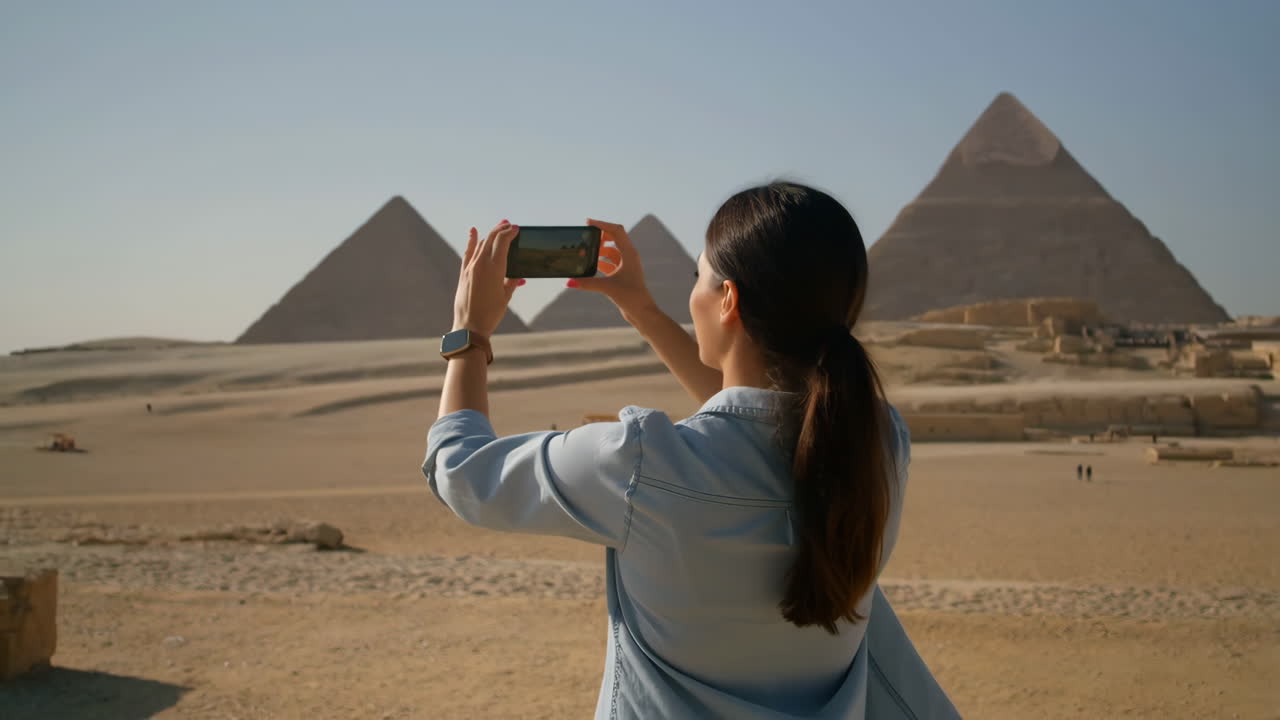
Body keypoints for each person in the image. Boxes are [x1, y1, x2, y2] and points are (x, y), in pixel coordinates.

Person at [423, 183, 958, 718]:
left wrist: (468, 334)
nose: (691, 294)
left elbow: (461, 470)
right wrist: (641, 310)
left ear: (728, 300)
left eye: (696, 276)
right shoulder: (877, 448)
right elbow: (763, 421)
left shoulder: (639, 464)